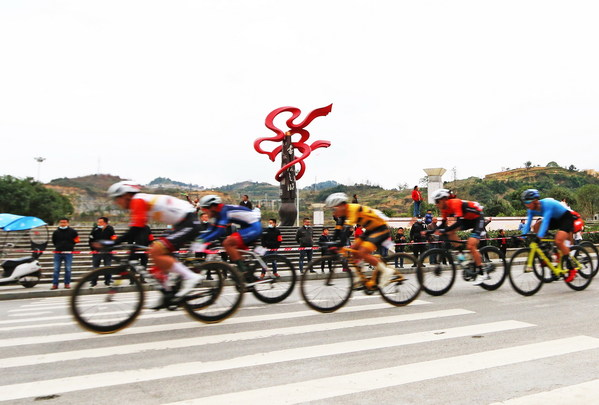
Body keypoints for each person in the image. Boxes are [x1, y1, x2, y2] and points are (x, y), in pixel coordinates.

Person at [105, 181, 204, 308]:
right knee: (156, 259)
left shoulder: (137, 200)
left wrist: (113, 242)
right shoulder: (140, 201)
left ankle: (191, 277)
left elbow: (136, 228)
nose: (116, 203)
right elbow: (138, 228)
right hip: (180, 224)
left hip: (188, 222)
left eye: (117, 199)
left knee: (156, 250)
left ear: (126, 195)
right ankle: (167, 294)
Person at [325, 192, 397, 287]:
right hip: (370, 230)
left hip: (380, 229)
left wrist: (338, 245)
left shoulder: (352, 209)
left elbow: (346, 230)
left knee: (362, 252)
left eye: (334, 209)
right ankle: (361, 277)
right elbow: (337, 231)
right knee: (354, 249)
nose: (333, 212)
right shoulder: (343, 215)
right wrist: (331, 242)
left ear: (341, 206)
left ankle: (386, 271)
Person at [431, 188, 491, 285]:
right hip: (467, 219)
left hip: (478, 218)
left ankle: (482, 273)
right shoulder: (444, 209)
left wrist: (443, 230)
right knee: (450, 232)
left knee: (470, 245)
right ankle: (462, 256)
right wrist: (430, 231)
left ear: (443, 199)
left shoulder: (454, 203)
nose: (436, 204)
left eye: (437, 201)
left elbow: (457, 222)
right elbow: (443, 224)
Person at [196, 194, 262, 282]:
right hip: (247, 227)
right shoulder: (218, 213)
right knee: (234, 250)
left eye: (205, 209)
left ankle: (246, 272)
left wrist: (203, 240)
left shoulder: (224, 211)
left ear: (213, 207)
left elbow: (220, 231)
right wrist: (198, 240)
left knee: (227, 243)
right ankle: (248, 274)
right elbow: (211, 230)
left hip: (254, 227)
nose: (205, 212)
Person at [520, 189, 578, 282]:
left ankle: (571, 269)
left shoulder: (547, 204)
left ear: (535, 200)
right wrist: (522, 236)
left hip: (565, 218)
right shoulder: (531, 210)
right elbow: (528, 224)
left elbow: (546, 221)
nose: (526, 204)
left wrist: (540, 237)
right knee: (536, 226)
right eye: (524, 202)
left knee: (558, 241)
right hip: (554, 219)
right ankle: (548, 253)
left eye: (527, 202)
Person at [51, 218, 80, 290]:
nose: (63, 224)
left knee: (68, 269)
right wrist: (58, 246)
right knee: (56, 269)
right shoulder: (56, 232)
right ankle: (55, 284)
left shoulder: (73, 232)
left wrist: (70, 246)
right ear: (59, 223)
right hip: (58, 252)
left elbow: (77, 240)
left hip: (68, 252)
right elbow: (54, 241)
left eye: (64, 222)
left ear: (68, 223)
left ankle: (67, 283)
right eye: (61, 222)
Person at [88, 216, 115, 286]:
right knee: (95, 267)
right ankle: (93, 281)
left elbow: (113, 239)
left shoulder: (110, 229)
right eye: (98, 222)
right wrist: (92, 249)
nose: (99, 223)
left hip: (107, 252)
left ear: (105, 223)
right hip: (96, 252)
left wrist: (110, 249)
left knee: (107, 266)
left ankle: (108, 280)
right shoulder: (95, 229)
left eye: (101, 222)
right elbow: (91, 240)